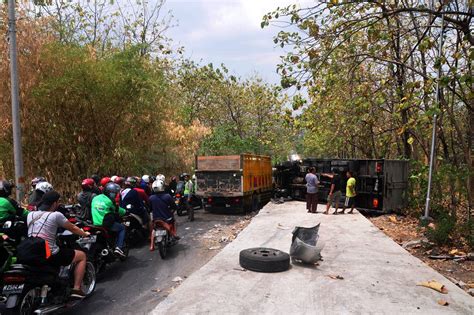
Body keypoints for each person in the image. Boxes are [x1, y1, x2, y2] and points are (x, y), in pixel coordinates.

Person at [27, 190, 90, 299]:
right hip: (49, 252)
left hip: (31, 250)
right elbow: (73, 228)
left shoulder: (30, 214)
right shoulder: (56, 215)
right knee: (82, 256)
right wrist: (84, 234)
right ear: (55, 203)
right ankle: (76, 288)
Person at [91, 183, 127, 257]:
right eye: (114, 194)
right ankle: (118, 248)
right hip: (105, 224)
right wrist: (125, 211)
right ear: (109, 193)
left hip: (95, 223)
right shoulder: (109, 201)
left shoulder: (95, 198)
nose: (114, 195)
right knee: (122, 228)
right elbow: (117, 210)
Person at [148, 180, 179, 251]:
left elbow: (149, 209)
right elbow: (174, 206)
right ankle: (174, 234)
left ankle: (152, 245)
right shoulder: (167, 196)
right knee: (174, 221)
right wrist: (173, 210)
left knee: (154, 229)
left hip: (156, 219)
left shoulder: (151, 198)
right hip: (166, 219)